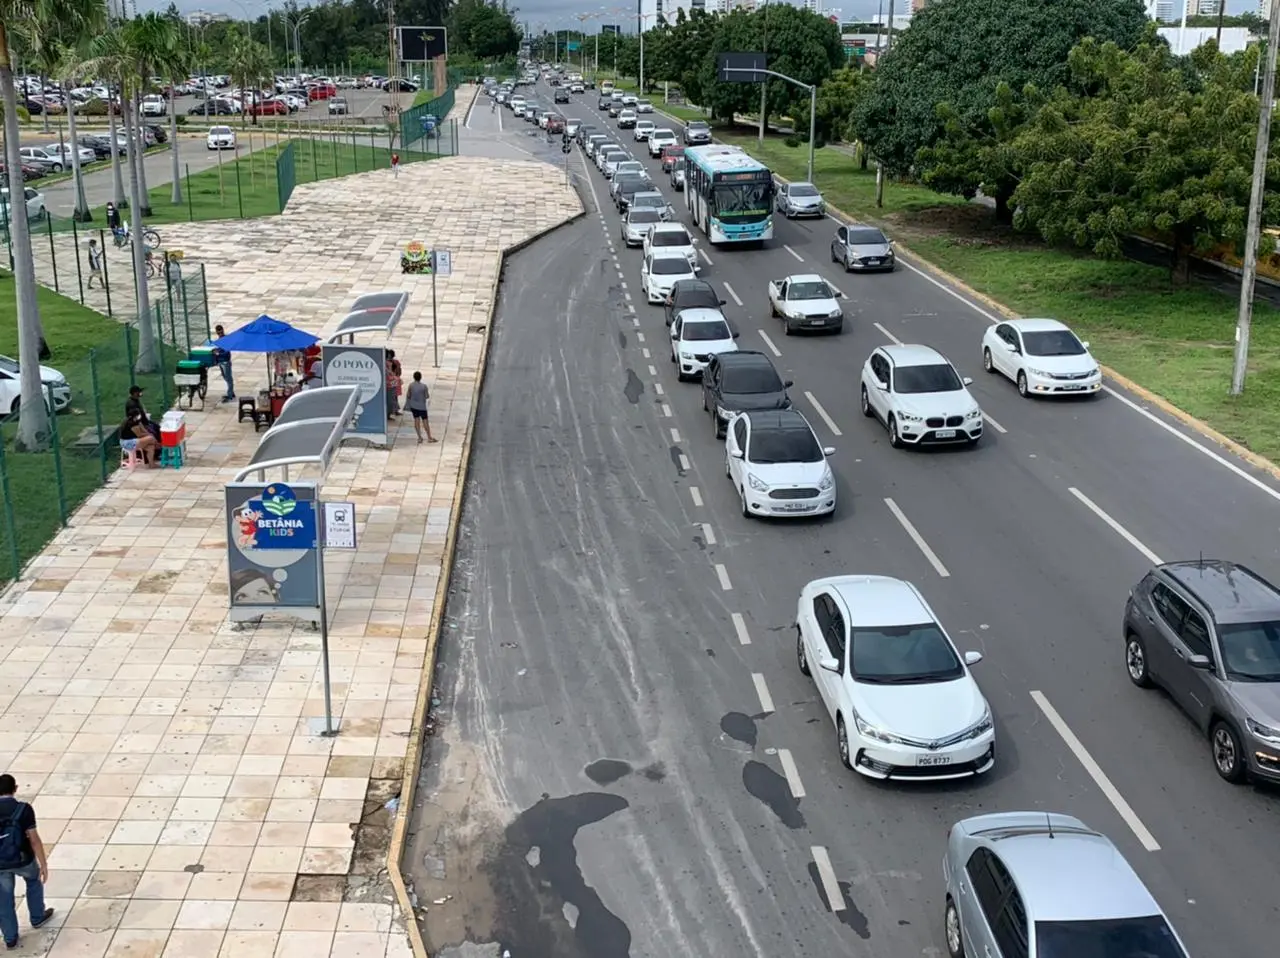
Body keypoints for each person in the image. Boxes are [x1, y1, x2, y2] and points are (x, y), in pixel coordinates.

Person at [0, 773, 54, 950]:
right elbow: (34, 839)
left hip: (0, 864)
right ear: (15, 789)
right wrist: (43, 864)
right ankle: (37, 917)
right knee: (33, 881)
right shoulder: (24, 809)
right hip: (24, 859)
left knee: (4, 899)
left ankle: (10, 938)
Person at [405, 371, 436, 444]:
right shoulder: (424, 386)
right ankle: (429, 437)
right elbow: (427, 396)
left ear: (414, 377)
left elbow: (408, 395)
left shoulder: (411, 385)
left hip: (413, 406)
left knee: (416, 420)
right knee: (425, 421)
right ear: (420, 377)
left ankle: (419, 437)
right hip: (422, 407)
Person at [211, 325, 234, 402]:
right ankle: (231, 392)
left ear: (223, 330)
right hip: (221, 362)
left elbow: (227, 353)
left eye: (220, 331)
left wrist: (218, 354)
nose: (220, 333)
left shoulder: (226, 340)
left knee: (228, 378)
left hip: (226, 362)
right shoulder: (220, 340)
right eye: (218, 332)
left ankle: (230, 395)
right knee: (225, 377)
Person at [385, 349, 403, 419]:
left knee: (394, 397)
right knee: (394, 397)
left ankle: (394, 410)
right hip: (393, 381)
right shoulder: (389, 363)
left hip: (393, 381)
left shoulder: (390, 363)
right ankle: (394, 411)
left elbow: (399, 371)